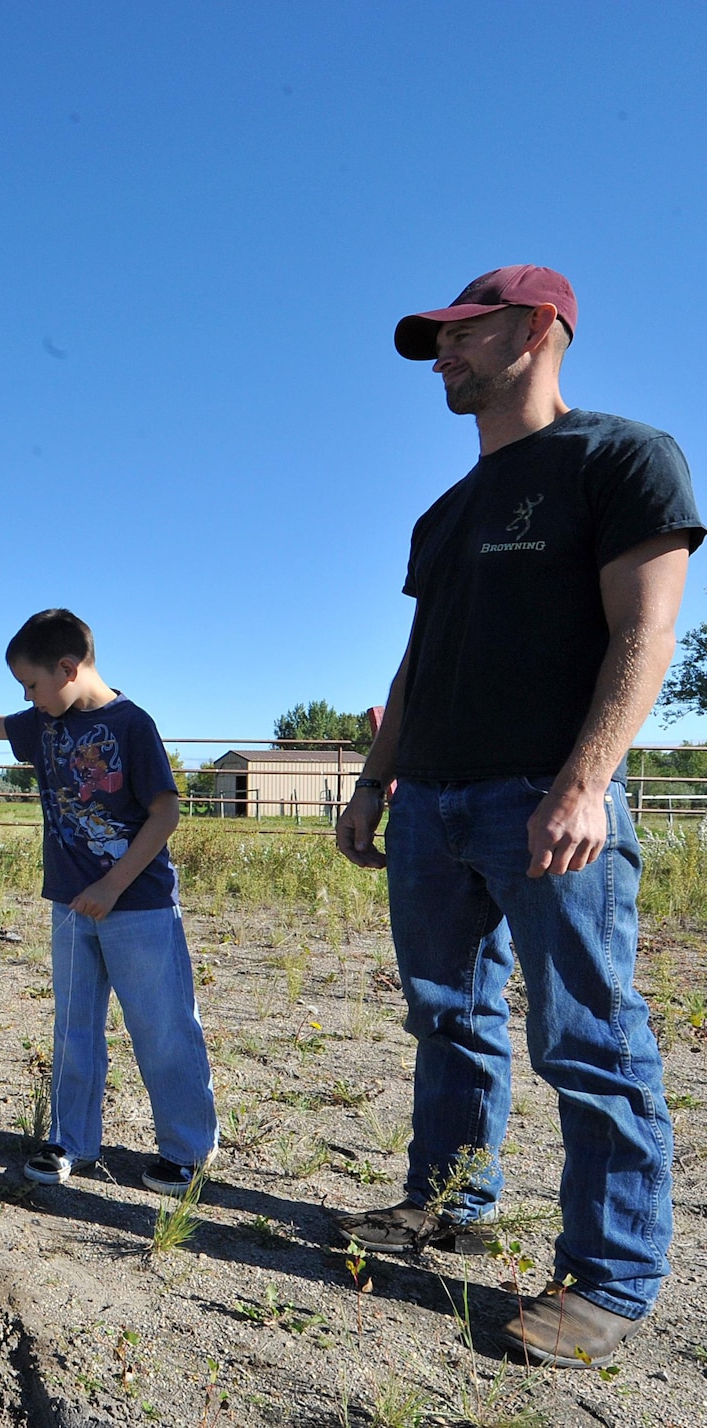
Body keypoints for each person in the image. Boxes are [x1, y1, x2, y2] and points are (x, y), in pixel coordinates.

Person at [333, 266, 696, 1369]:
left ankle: (609, 1278)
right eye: (435, 340)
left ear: (536, 328)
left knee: (584, 1036)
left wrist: (583, 782)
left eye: (460, 332)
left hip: (540, 798)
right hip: (430, 801)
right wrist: (370, 779)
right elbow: (418, 656)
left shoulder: (620, 459)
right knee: (445, 1016)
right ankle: (452, 1201)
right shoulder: (442, 513)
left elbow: (644, 633)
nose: (440, 354)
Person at [0, 609, 218, 1195]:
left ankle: (186, 1150)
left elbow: (166, 812)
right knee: (74, 1028)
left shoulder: (130, 725)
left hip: (138, 907)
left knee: (162, 1026)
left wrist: (112, 885)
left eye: (33, 686)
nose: (29, 698)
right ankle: (72, 1139)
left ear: (68, 669)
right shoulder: (46, 723)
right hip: (72, 907)